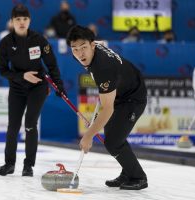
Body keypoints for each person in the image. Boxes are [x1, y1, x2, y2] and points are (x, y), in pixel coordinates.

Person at [66, 25, 148, 190]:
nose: (80, 53)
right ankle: (127, 173)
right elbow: (101, 42)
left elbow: (108, 109)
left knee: (113, 142)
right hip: (120, 90)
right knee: (113, 134)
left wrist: (88, 136)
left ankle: (138, 177)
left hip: (133, 97)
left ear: (92, 46)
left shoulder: (104, 68)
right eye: (75, 49)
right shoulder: (91, 49)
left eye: (83, 48)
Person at [0, 4, 66, 177]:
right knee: (13, 126)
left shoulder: (39, 40)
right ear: (12, 21)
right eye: (18, 19)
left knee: (30, 125)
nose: (21, 22)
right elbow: (3, 70)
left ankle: (28, 166)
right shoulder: (5, 43)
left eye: (25, 19)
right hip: (17, 87)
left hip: (38, 87)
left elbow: (52, 65)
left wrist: (58, 84)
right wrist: (22, 77)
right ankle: (9, 164)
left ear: (29, 21)